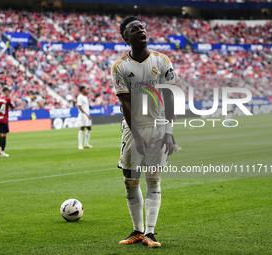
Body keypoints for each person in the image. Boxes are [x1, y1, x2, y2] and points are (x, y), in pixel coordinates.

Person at [111, 16, 175, 248]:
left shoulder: (162, 61)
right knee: (131, 180)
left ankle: (150, 232)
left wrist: (168, 131)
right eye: (134, 29)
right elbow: (125, 103)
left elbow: (169, 98)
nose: (141, 30)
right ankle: (138, 231)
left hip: (158, 127)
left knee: (154, 181)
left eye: (142, 27)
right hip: (133, 129)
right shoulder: (120, 67)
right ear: (126, 38)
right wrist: (136, 134)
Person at [0, 87, 15, 157]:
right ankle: (2, 151)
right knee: (4, 135)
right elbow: (13, 107)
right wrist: (11, 99)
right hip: (4, 119)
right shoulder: (7, 99)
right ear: (6, 92)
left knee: (1, 134)